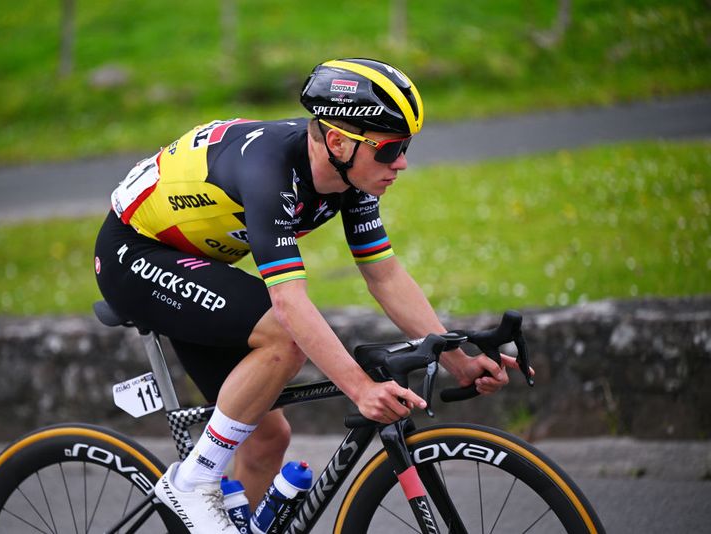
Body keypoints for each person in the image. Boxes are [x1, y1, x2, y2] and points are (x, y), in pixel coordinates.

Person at [94, 58, 525, 533]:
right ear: (338, 141)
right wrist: (360, 390)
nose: (401, 162)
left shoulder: (351, 175)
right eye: (390, 149)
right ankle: (194, 482)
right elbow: (290, 305)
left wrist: (456, 358)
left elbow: (384, 275)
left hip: (196, 265)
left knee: (265, 440)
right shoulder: (270, 171)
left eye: (406, 146)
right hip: (133, 255)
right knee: (285, 336)